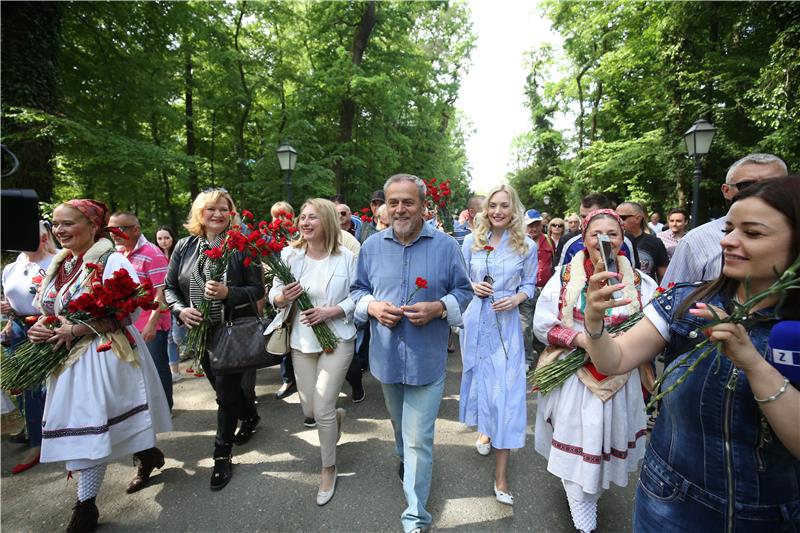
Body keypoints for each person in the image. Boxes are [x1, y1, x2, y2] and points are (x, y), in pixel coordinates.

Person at [582, 177, 800, 531]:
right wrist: (594, 321)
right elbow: (615, 360)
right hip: (670, 505)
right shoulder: (685, 302)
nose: (727, 241)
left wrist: (753, 363)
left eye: (753, 233)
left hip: (774, 518)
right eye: (729, 229)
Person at [27, 199, 171, 531]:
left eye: (68, 223)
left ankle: (85, 506)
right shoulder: (61, 263)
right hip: (68, 357)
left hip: (104, 353)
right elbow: (51, 310)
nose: (60, 230)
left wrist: (77, 329)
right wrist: (43, 326)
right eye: (56, 224)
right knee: (101, 422)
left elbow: (127, 312)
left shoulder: (112, 262)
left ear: (93, 227)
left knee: (94, 426)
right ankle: (146, 452)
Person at [351, 174, 472, 533]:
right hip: (385, 360)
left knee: (420, 438)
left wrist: (439, 308)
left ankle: (416, 516)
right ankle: (402, 455)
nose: (400, 209)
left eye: (408, 202)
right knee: (399, 426)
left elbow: (464, 292)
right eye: (394, 202)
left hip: (427, 361)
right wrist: (372, 307)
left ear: (422, 206)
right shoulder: (371, 247)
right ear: (384, 206)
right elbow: (357, 291)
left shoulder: (447, 246)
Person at [533, 209, 658, 533]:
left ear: (622, 238)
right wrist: (584, 342)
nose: (604, 240)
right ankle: (581, 502)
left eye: (612, 234)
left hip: (621, 377)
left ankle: (591, 491)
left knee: (606, 440)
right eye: (596, 234)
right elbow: (543, 324)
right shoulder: (563, 278)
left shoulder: (641, 283)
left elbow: (655, 326)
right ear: (584, 239)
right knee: (578, 437)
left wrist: (622, 345)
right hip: (576, 375)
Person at [164, 189, 264, 491]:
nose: (218, 214)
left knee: (224, 394)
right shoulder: (184, 246)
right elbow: (170, 287)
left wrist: (227, 294)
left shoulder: (241, 247)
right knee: (225, 391)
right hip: (198, 332)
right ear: (199, 214)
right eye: (211, 209)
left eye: (224, 209)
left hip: (229, 330)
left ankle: (221, 456)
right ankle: (250, 415)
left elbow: (257, 289)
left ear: (232, 213)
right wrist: (181, 311)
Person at [267, 198, 357, 506]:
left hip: (339, 339)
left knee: (321, 409)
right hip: (302, 342)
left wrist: (333, 311)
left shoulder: (346, 257)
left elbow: (358, 296)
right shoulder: (289, 256)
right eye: (302, 217)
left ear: (328, 222)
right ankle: (335, 418)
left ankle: (328, 468)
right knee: (310, 410)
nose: (305, 222)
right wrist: (280, 297)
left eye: (313, 218)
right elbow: (273, 293)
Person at [459, 184, 537, 505]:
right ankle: (486, 430)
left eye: (505, 206)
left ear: (513, 208)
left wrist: (516, 298)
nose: (498, 211)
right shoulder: (470, 242)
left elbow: (531, 284)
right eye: (493, 206)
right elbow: (461, 280)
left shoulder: (526, 246)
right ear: (485, 209)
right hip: (476, 323)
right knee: (483, 384)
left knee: (506, 394)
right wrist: (472, 286)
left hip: (506, 328)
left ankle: (501, 476)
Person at [662, 153, 788, 286]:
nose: (762, 192)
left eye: (774, 185)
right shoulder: (696, 241)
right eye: (747, 185)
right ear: (726, 190)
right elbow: (669, 297)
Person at [1, 221, 56, 475]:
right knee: (25, 390)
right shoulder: (11, 268)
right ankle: (37, 440)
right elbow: (12, 300)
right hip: (19, 332)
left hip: (48, 328)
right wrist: (9, 316)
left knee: (47, 388)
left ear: (45, 238)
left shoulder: (56, 263)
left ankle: (52, 438)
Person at [108, 212, 173, 409]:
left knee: (157, 367)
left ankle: (164, 407)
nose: (114, 234)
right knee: (135, 369)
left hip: (149, 324)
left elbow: (161, 293)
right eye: (110, 229)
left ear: (136, 229)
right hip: (127, 324)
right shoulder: (118, 254)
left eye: (119, 229)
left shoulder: (152, 253)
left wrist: (153, 324)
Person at [269, 203, 301, 404]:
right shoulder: (268, 239)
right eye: (276, 217)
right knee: (284, 334)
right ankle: (288, 378)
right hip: (281, 295)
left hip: (300, 294)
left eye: (284, 216)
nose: (280, 221)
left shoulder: (299, 236)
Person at [555, 192, 637, 269]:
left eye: (593, 215)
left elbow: (634, 274)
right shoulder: (567, 241)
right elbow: (559, 275)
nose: (587, 220)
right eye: (583, 216)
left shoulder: (626, 241)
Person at [519, 209, 554, 369]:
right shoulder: (519, 243)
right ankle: (526, 359)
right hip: (526, 291)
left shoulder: (549, 241)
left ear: (541, 225)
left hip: (545, 290)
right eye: (530, 225)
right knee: (525, 327)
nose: (533, 228)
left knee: (543, 325)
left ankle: (543, 359)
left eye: (536, 224)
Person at [155, 225, 186, 382]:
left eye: (166, 237)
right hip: (163, 303)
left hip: (180, 301)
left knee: (179, 336)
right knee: (170, 339)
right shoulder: (156, 256)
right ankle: (175, 371)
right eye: (159, 238)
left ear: (173, 238)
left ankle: (194, 354)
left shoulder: (179, 255)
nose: (163, 241)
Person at [616, 201, 669, 283]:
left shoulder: (655, 242)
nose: (617, 221)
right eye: (615, 217)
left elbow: (663, 275)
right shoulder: (613, 242)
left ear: (638, 218)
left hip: (648, 293)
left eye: (622, 218)